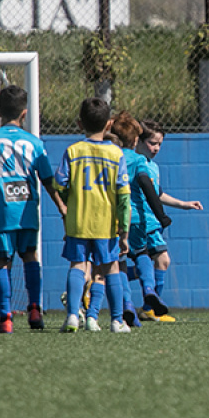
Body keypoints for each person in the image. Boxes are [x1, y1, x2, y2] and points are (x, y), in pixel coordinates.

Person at [0, 86, 66, 333]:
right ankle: (35, 309)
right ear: (24, 114)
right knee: (30, 257)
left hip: (3, 215)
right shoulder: (34, 143)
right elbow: (47, 179)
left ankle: (6, 318)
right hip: (27, 213)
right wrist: (62, 206)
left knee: (3, 262)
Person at [54, 97, 131, 333]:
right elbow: (124, 197)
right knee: (111, 268)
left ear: (79, 124)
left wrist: (69, 203)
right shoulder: (116, 154)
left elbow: (59, 184)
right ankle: (117, 321)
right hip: (105, 224)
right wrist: (124, 231)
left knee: (78, 265)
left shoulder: (73, 151)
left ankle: (72, 317)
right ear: (109, 124)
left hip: (78, 222)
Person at [131, 119, 203, 323]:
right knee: (154, 261)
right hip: (137, 223)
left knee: (159, 261)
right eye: (152, 143)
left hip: (150, 222)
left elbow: (157, 194)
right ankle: (147, 307)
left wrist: (184, 204)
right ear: (138, 141)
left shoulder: (154, 167)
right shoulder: (133, 162)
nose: (156, 148)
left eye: (160, 144)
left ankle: (148, 308)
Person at [111, 113, 170, 329]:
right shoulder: (138, 160)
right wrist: (161, 214)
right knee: (143, 254)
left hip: (113, 219)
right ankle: (149, 291)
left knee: (120, 264)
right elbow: (146, 184)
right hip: (136, 218)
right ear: (136, 140)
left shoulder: (110, 157)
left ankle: (127, 304)